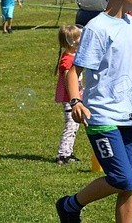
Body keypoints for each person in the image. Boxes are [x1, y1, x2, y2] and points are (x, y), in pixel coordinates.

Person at [56, 0, 132, 223]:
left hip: (129, 113)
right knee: (121, 177)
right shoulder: (97, 28)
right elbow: (72, 71)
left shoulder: (129, 22)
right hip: (102, 117)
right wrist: (76, 100)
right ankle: (70, 205)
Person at [54, 25, 83, 165]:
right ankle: (62, 154)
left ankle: (68, 152)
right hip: (69, 99)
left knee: (74, 126)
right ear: (71, 41)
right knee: (71, 125)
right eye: (78, 38)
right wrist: (73, 97)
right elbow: (67, 79)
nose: (80, 40)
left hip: (74, 97)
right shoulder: (67, 59)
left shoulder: (73, 56)